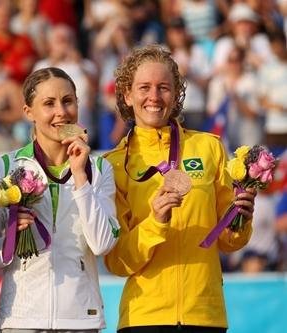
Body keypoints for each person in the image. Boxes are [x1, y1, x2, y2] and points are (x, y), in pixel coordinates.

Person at [103, 45, 256, 332]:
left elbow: (229, 241)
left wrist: (241, 218)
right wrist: (155, 223)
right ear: (127, 95)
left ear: (175, 96)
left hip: (205, 313)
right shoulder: (112, 165)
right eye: (144, 87)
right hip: (144, 317)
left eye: (163, 88)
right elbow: (117, 261)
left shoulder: (209, 147)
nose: (154, 97)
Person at [0, 67, 120, 332]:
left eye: (68, 101)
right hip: (20, 319)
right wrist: (11, 239)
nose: (61, 112)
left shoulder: (99, 169)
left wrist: (80, 176)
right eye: (48, 104)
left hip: (81, 319)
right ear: (28, 112)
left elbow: (102, 244)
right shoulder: (5, 167)